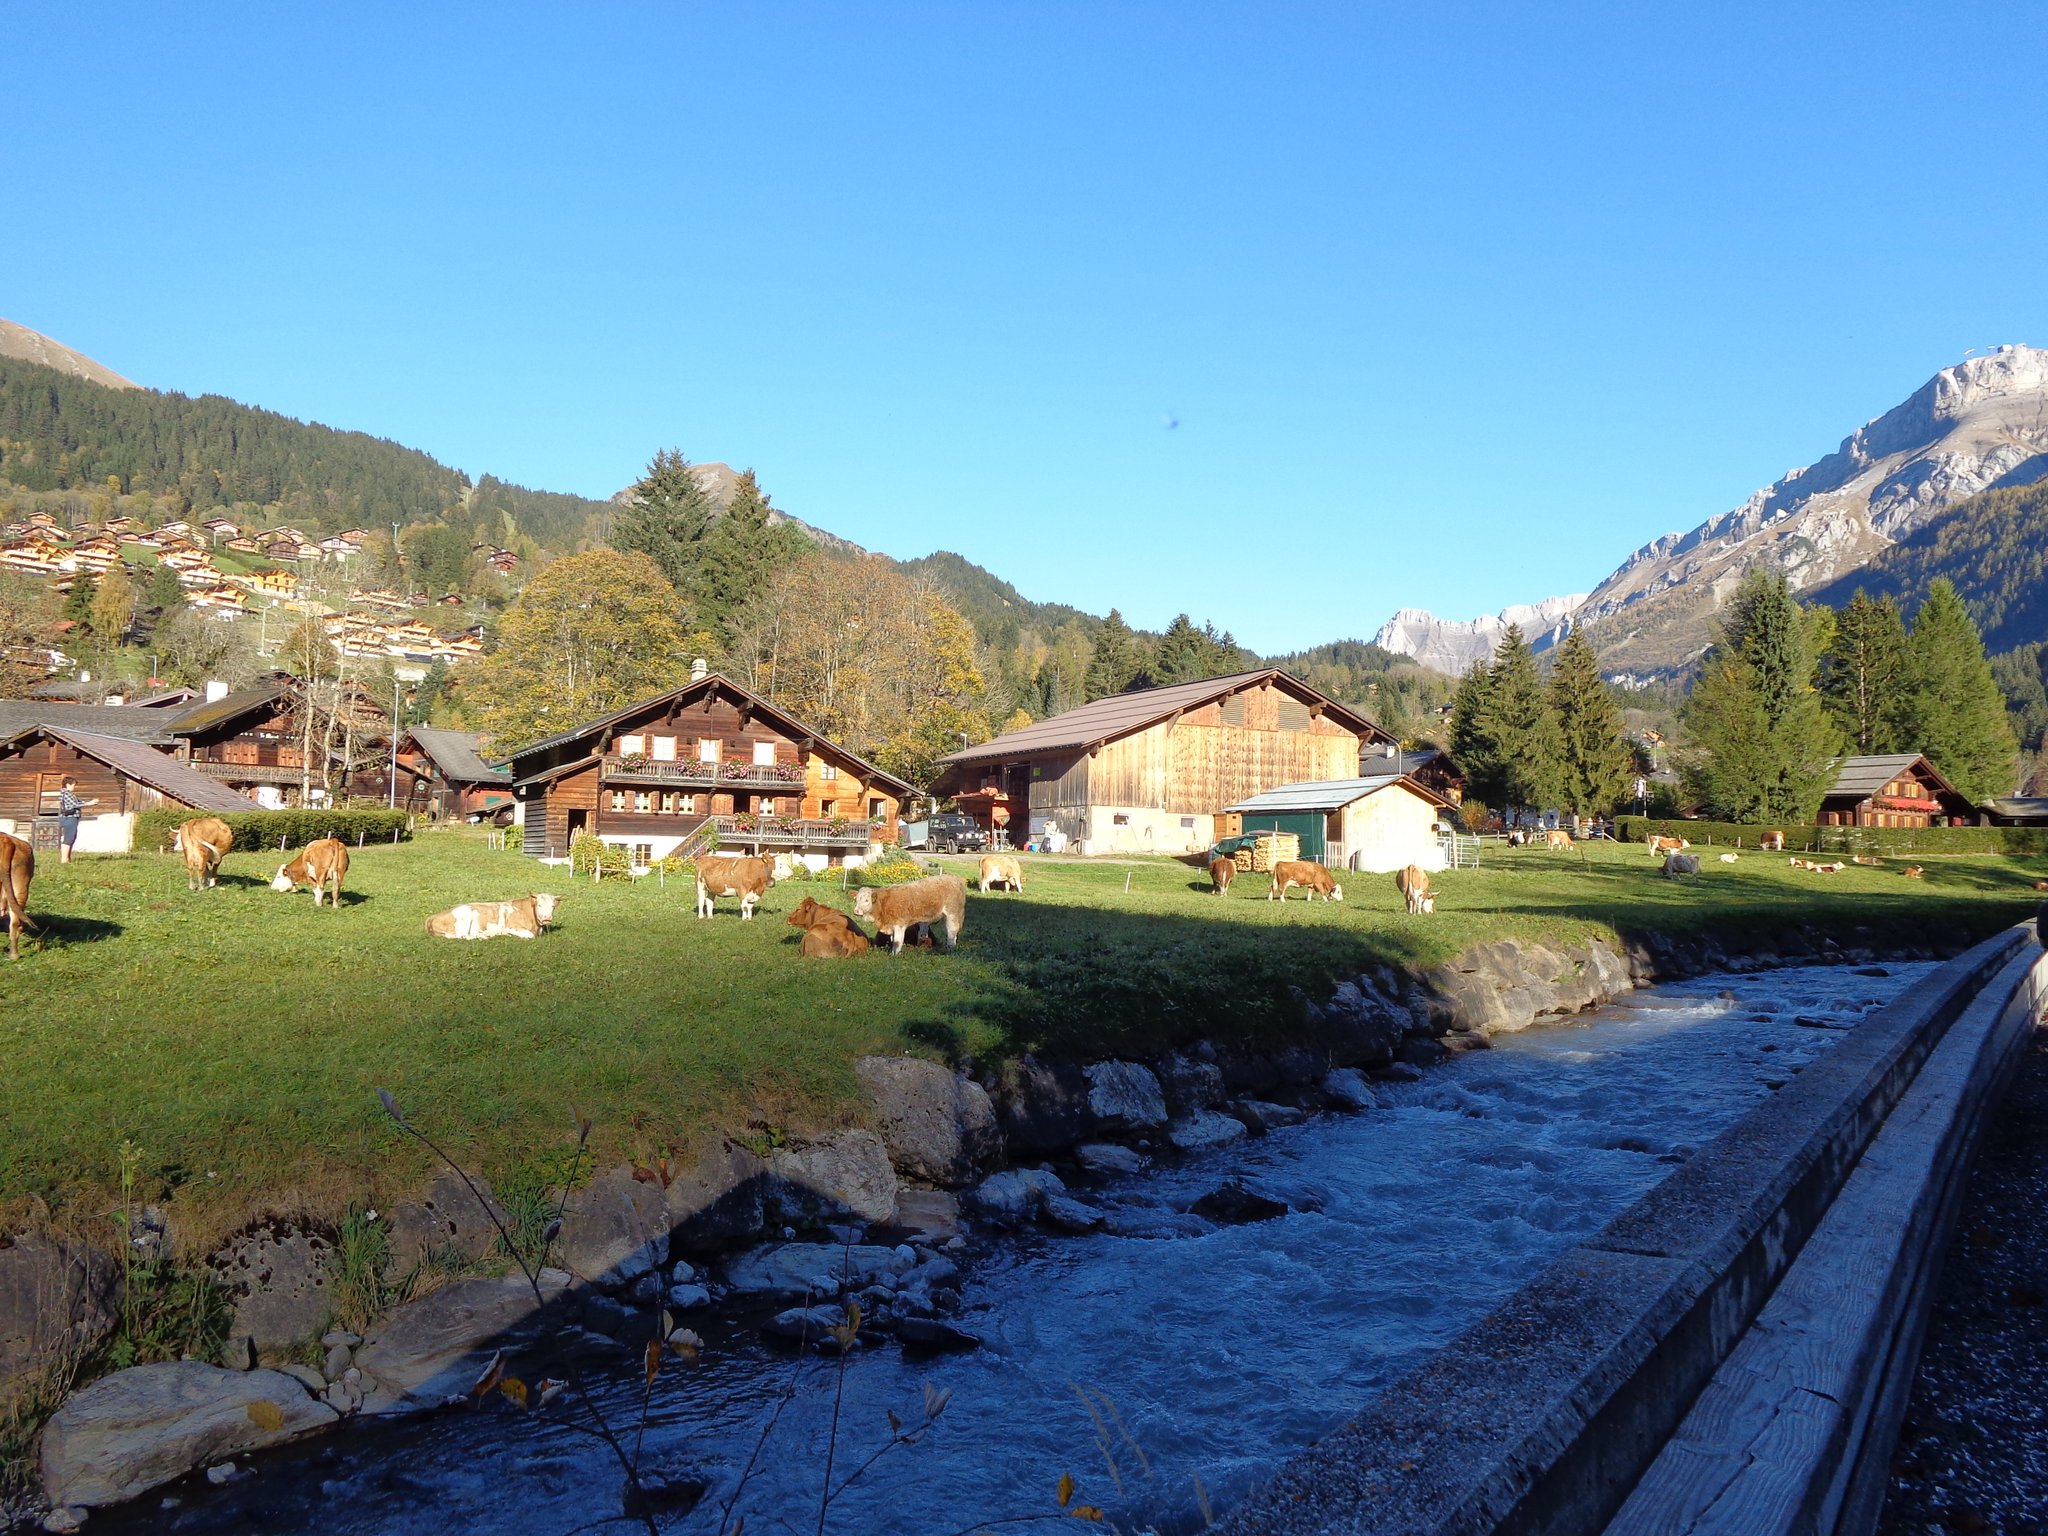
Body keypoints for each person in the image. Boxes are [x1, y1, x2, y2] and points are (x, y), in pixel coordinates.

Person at [56, 777, 98, 864]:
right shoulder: (66, 794)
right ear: (68, 784)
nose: (74, 787)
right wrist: (89, 803)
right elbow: (74, 804)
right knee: (68, 838)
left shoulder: (68, 794)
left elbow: (78, 802)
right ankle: (64, 860)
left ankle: (67, 858)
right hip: (69, 818)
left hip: (71, 818)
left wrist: (89, 802)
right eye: (73, 785)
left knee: (71, 838)